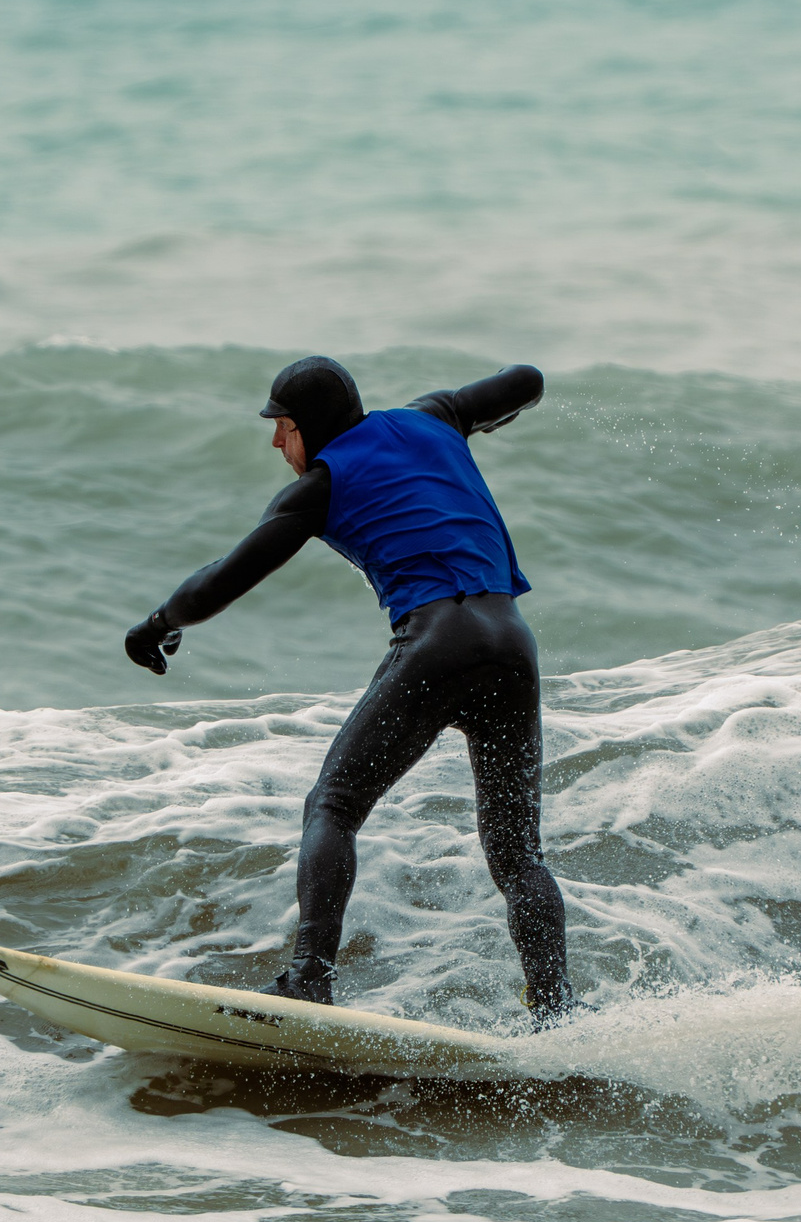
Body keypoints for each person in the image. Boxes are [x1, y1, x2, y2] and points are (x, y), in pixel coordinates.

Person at [122, 355, 575, 1024]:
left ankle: (309, 980)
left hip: (438, 641)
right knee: (518, 855)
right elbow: (527, 381)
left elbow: (223, 579)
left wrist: (156, 625)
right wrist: (485, 419)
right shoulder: (436, 416)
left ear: (311, 427)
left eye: (282, 426)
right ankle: (555, 1009)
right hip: (511, 642)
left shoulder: (322, 485)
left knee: (332, 806)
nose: (277, 441)